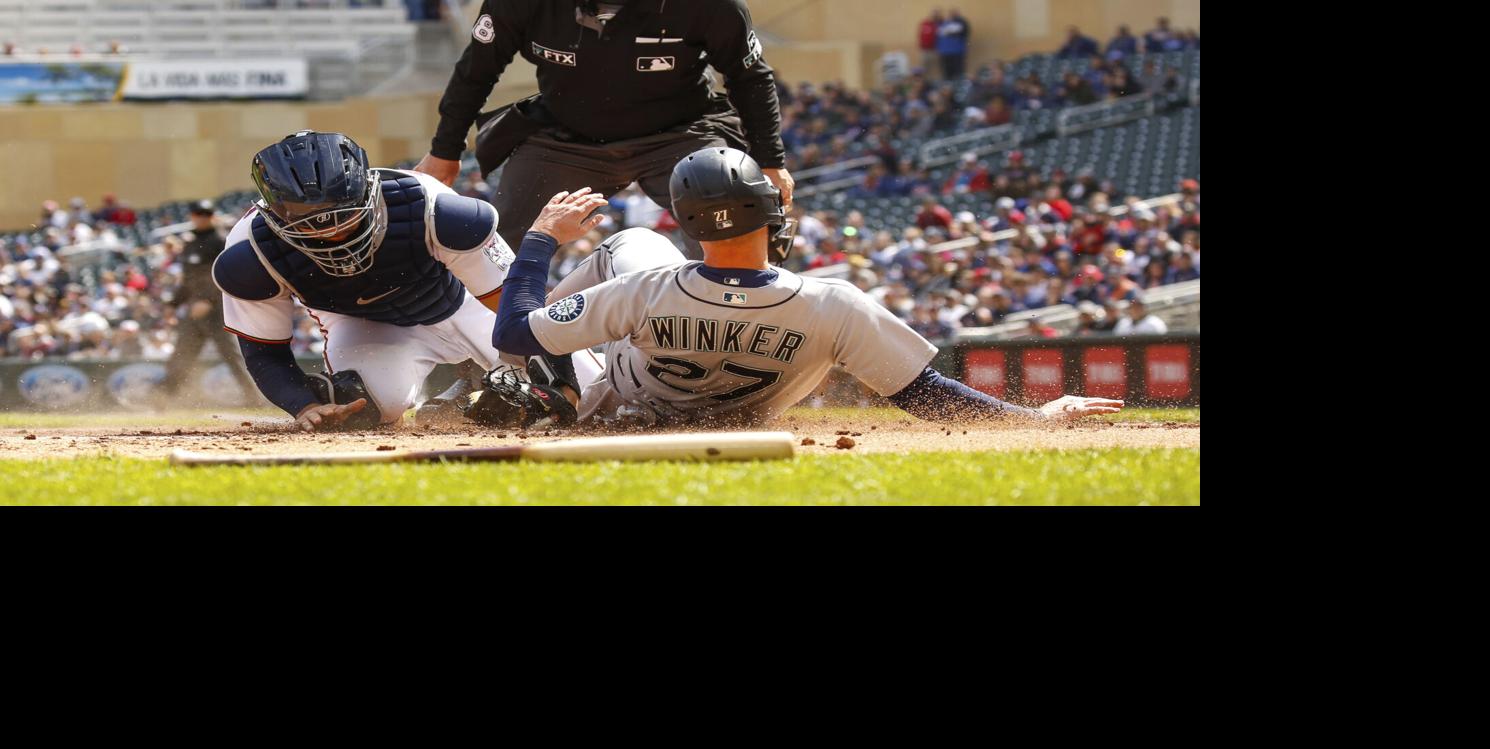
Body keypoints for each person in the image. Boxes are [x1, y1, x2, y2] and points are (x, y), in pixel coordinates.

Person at [486, 148, 1124, 426]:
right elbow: (925, 393)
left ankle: (561, 391)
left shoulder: (645, 288)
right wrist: (1032, 415)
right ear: (769, 213)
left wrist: (542, 236)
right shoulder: (833, 304)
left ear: (684, 221)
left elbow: (512, 332)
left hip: (619, 400)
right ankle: (564, 386)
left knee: (625, 247)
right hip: (742, 415)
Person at [213, 131, 585, 432]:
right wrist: (305, 406)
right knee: (354, 411)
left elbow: (520, 306)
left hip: (465, 302)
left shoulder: (434, 207)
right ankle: (464, 401)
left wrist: (563, 379)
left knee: (596, 395)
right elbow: (265, 353)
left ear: (368, 189)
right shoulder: (251, 254)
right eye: (307, 219)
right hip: (367, 327)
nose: (333, 231)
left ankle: (480, 382)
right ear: (272, 212)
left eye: (343, 213)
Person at [416, 0, 794, 253]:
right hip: (566, 138)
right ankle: (501, 359)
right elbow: (476, 71)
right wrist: (444, 152)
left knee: (739, 224)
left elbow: (750, 78)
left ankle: (742, 337)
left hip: (681, 134)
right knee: (499, 246)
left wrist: (771, 162)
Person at [161, 200, 253, 402]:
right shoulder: (190, 242)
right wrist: (173, 304)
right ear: (191, 216)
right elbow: (188, 280)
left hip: (219, 308)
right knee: (181, 355)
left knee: (232, 355)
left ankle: (254, 398)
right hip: (195, 307)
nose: (201, 217)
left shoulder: (221, 240)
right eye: (197, 213)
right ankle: (163, 399)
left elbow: (227, 273)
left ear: (213, 216)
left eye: (206, 213)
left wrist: (209, 300)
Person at [937, 8, 970, 80]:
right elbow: (938, 35)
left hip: (957, 52)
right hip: (945, 52)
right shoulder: (943, 24)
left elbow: (965, 32)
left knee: (958, 73)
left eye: (954, 13)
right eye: (951, 13)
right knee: (946, 73)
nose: (952, 15)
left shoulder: (962, 23)